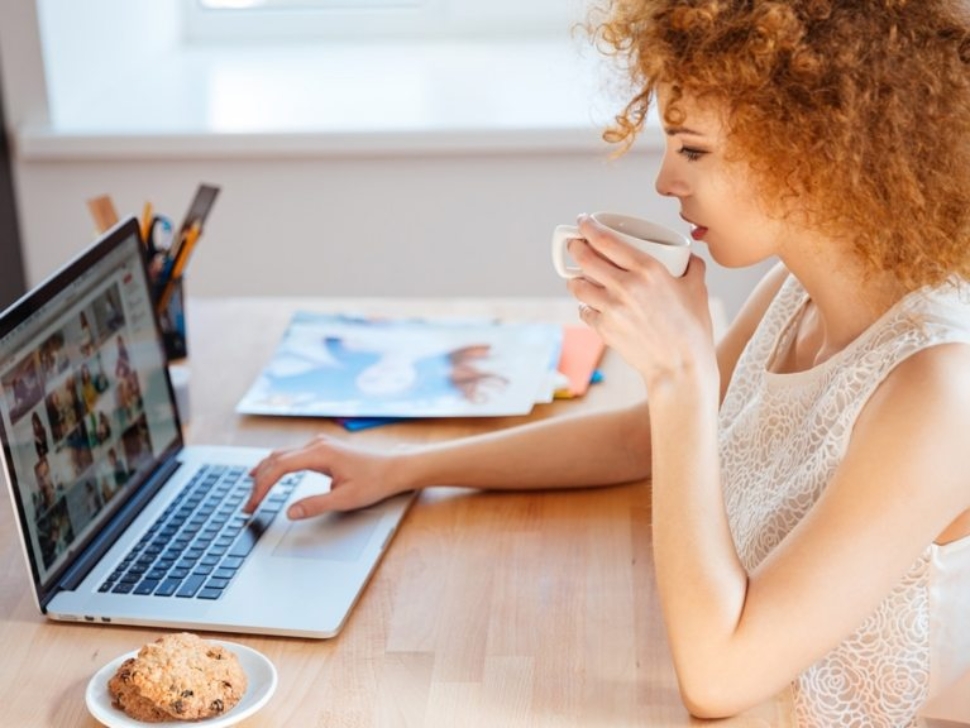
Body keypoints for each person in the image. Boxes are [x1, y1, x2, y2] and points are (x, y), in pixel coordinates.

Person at [243, 2, 970, 725]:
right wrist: (402, 468)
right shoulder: (794, 293)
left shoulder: (937, 386)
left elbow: (719, 679)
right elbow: (638, 442)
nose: (664, 181)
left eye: (692, 149)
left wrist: (678, 376)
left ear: (815, 153)